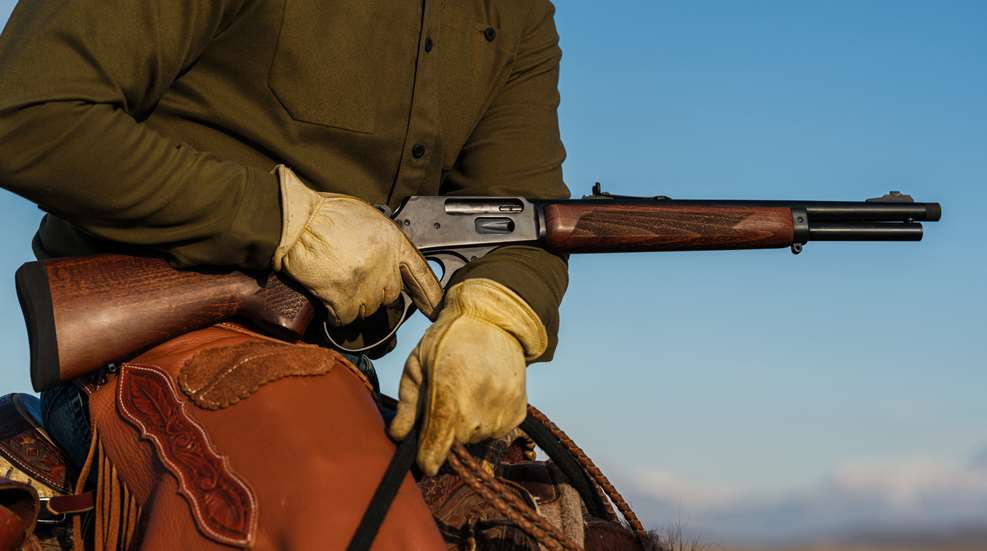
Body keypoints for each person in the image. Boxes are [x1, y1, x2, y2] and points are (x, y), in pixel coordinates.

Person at [0, 0, 568, 484]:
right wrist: (285, 221)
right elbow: (26, 114)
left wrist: (495, 315)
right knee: (331, 500)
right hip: (140, 358)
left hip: (336, 374)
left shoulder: (520, 13)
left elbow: (526, 212)